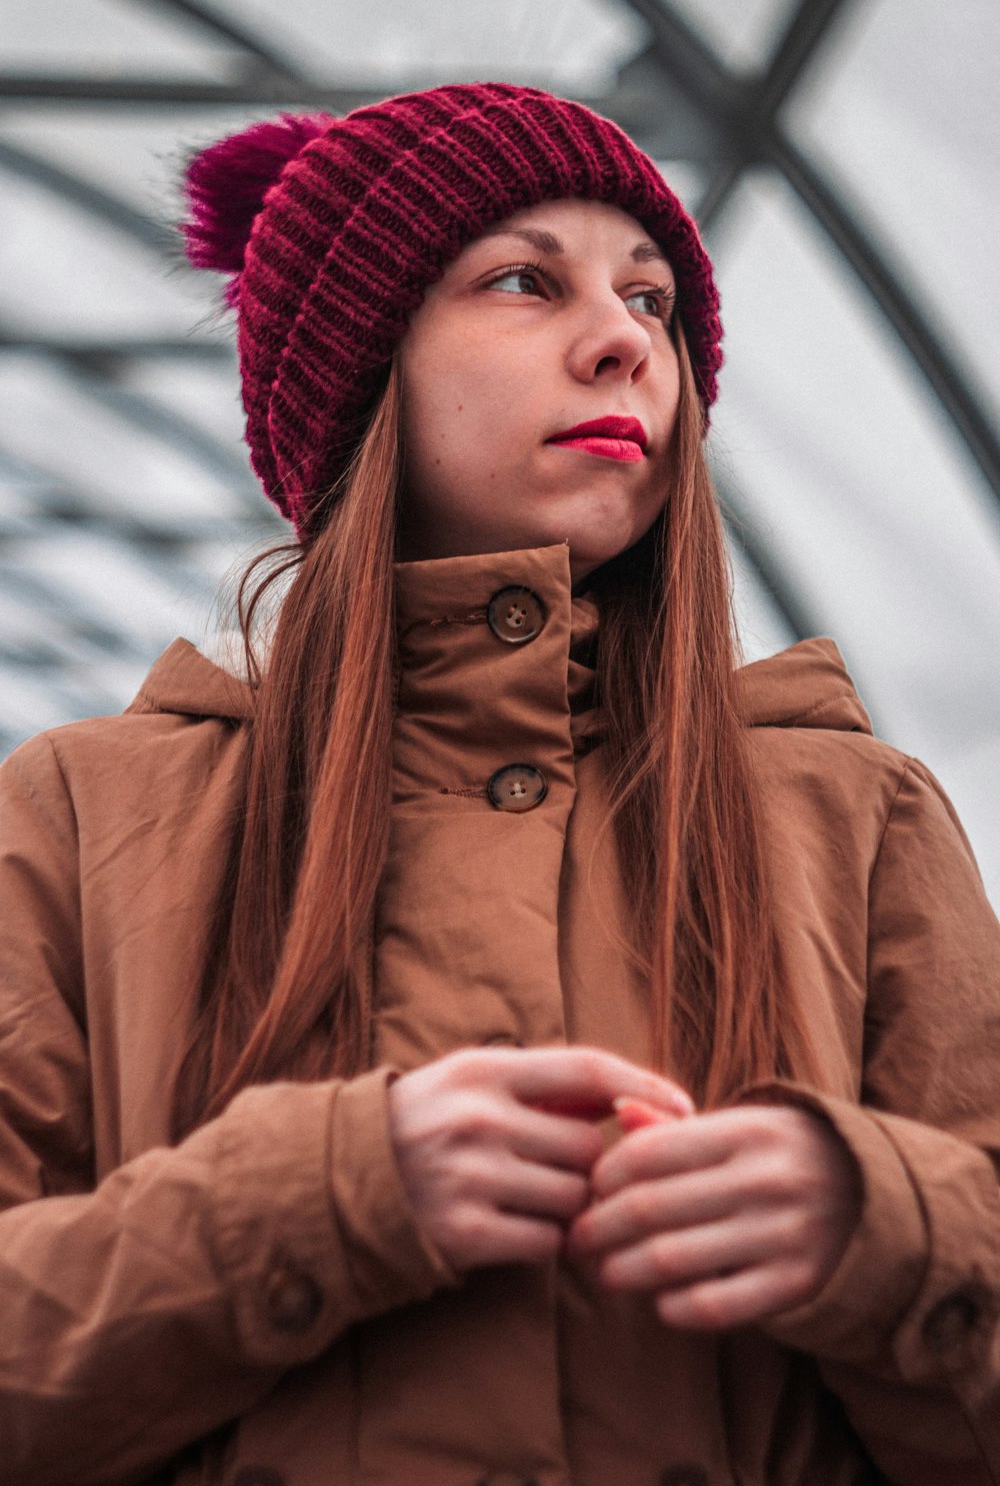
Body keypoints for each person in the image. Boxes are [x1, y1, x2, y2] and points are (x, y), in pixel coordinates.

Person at [0, 81, 997, 1486]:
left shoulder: (862, 818)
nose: (620, 344)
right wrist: (325, 1196)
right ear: (359, 370)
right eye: (525, 280)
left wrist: (884, 1232)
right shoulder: (80, 815)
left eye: (653, 303)